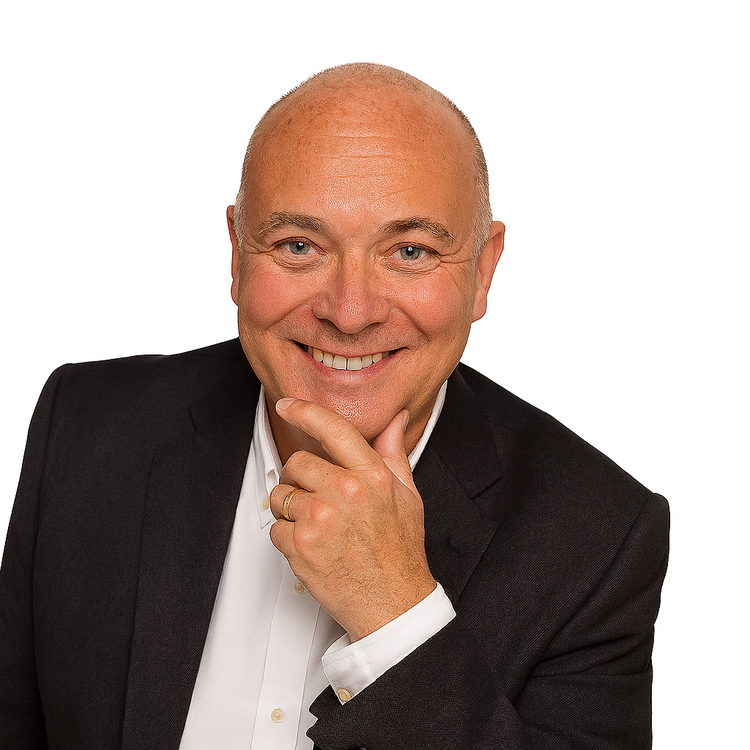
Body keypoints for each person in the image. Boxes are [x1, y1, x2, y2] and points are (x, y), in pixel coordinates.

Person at [0, 63, 669, 750]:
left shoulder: (602, 538)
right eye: (299, 246)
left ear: (482, 270)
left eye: (410, 251)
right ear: (236, 255)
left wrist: (396, 618)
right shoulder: (84, 428)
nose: (350, 312)